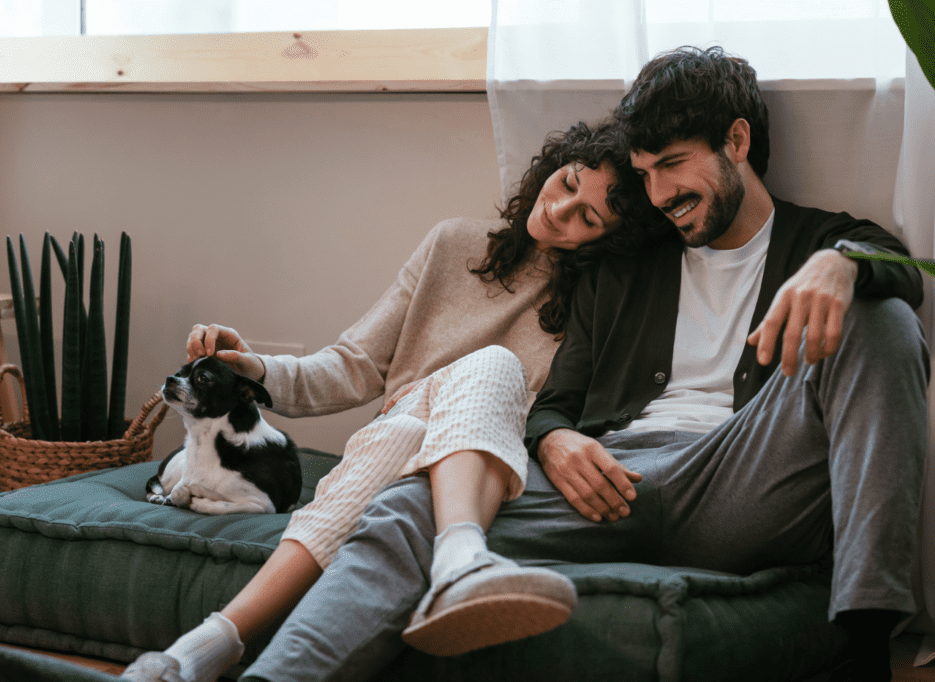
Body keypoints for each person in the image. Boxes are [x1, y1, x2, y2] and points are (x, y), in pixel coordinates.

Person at [223, 46, 928, 682]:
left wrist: (841, 266)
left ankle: (867, 641)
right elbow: (558, 398)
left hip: (742, 478)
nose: (659, 196)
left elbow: (901, 270)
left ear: (737, 142)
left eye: (674, 166)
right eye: (647, 174)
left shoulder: (823, 240)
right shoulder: (624, 270)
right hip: (608, 482)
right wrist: (555, 439)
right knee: (414, 505)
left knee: (884, 317)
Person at [114, 119, 670, 682]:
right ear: (554, 166)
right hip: (398, 437)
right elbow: (355, 364)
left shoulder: (594, 306)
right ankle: (459, 560)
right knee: (405, 428)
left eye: (588, 217)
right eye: (567, 183)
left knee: (480, 377)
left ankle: (199, 650)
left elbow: (546, 414)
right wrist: (255, 368)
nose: (560, 210)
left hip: (475, 465)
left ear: (607, 240)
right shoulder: (453, 244)